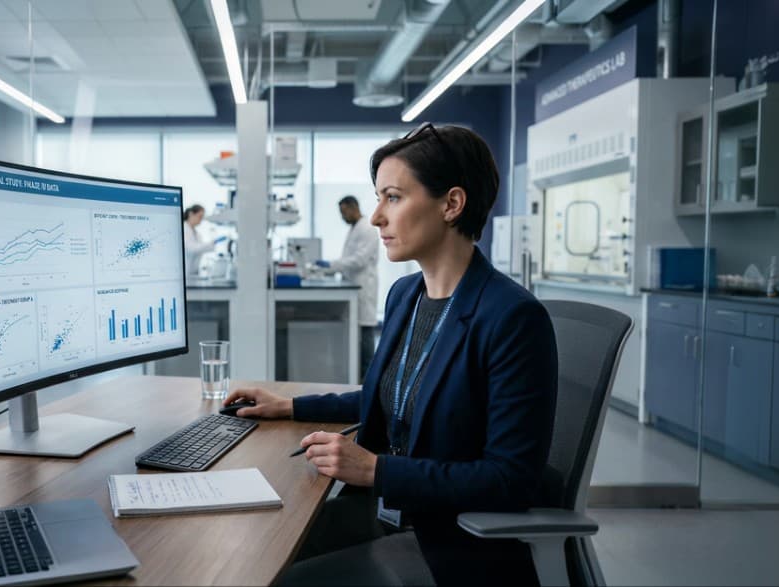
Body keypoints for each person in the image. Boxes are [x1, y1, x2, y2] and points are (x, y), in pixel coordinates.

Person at [224, 124, 558, 586]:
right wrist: (289, 406)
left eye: (393, 197)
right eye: (378, 198)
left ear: (451, 204)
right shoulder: (406, 295)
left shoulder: (512, 318)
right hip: (387, 514)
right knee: (253, 552)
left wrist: (377, 469)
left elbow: (509, 480)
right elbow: (388, 398)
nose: (377, 217)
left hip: (447, 542)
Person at [314, 196, 379, 381]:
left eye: (344, 212)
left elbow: (359, 260)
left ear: (353, 207)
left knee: (366, 334)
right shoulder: (355, 228)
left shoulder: (367, 228)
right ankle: (360, 378)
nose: (342, 217)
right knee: (359, 335)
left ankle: (369, 379)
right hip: (355, 286)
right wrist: (331, 267)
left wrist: (331, 265)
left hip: (363, 287)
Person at [182, 205, 225, 278]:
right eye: (200, 217)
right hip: (186, 271)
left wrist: (214, 243)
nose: (201, 220)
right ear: (191, 214)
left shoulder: (196, 233)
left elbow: (200, 248)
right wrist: (212, 242)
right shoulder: (184, 229)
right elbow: (191, 248)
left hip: (193, 272)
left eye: (202, 217)